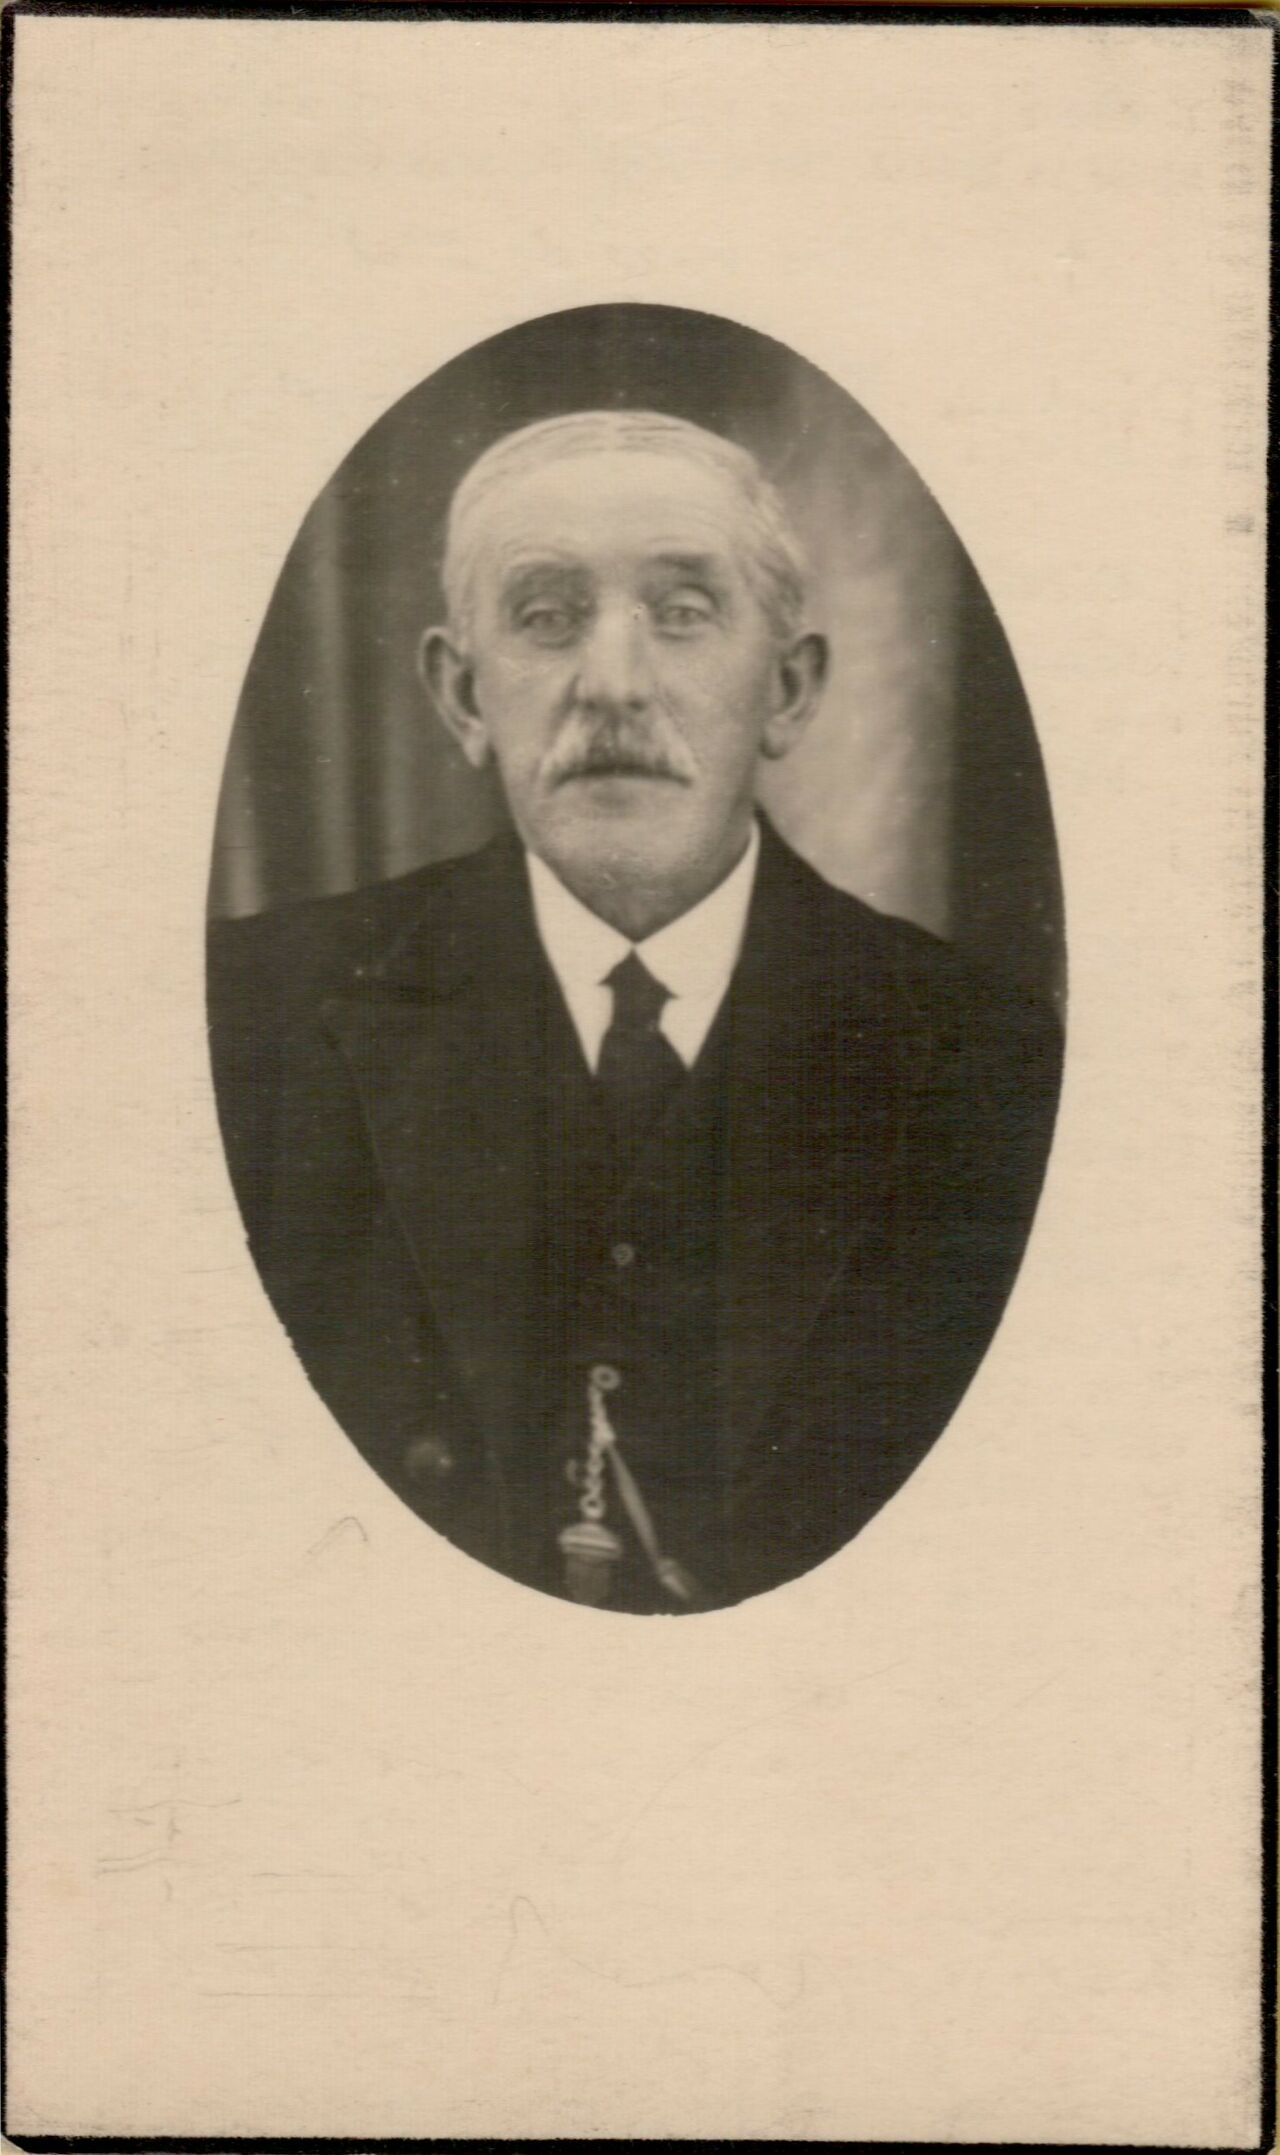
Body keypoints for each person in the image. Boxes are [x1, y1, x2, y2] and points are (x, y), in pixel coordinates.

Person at [207, 409, 1062, 1614]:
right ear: (461, 694)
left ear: (786, 689)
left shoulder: (990, 1066)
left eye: (682, 611)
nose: (612, 684)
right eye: (546, 615)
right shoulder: (247, 1025)